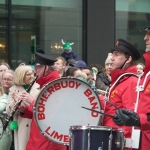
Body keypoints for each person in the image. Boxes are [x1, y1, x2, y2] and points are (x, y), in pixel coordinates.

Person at [112, 13, 150, 150]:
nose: (145, 37)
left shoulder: (133, 80)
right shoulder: (147, 74)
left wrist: (138, 120)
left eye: (149, 34)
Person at [18, 52, 66, 150]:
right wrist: (25, 111)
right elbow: (40, 114)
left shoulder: (57, 86)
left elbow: (52, 113)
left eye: (37, 68)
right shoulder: (46, 84)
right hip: (39, 141)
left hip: (48, 143)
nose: (35, 72)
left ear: (46, 68)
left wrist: (31, 101)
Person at [102, 39, 141, 142]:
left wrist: (122, 144)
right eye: (112, 55)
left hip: (119, 141)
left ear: (128, 59)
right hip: (112, 138)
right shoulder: (121, 80)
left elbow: (129, 119)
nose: (112, 59)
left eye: (116, 55)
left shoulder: (131, 82)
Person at [6, 65, 40, 150]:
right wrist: (15, 102)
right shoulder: (13, 89)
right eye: (28, 74)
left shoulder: (39, 86)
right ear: (21, 75)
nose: (32, 76)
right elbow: (8, 111)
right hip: (21, 126)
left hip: (35, 125)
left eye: (32, 73)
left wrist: (30, 100)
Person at [0, 70, 14, 150]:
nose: (6, 81)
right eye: (4, 79)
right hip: (3, 129)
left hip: (14, 128)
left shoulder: (16, 91)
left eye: (9, 79)